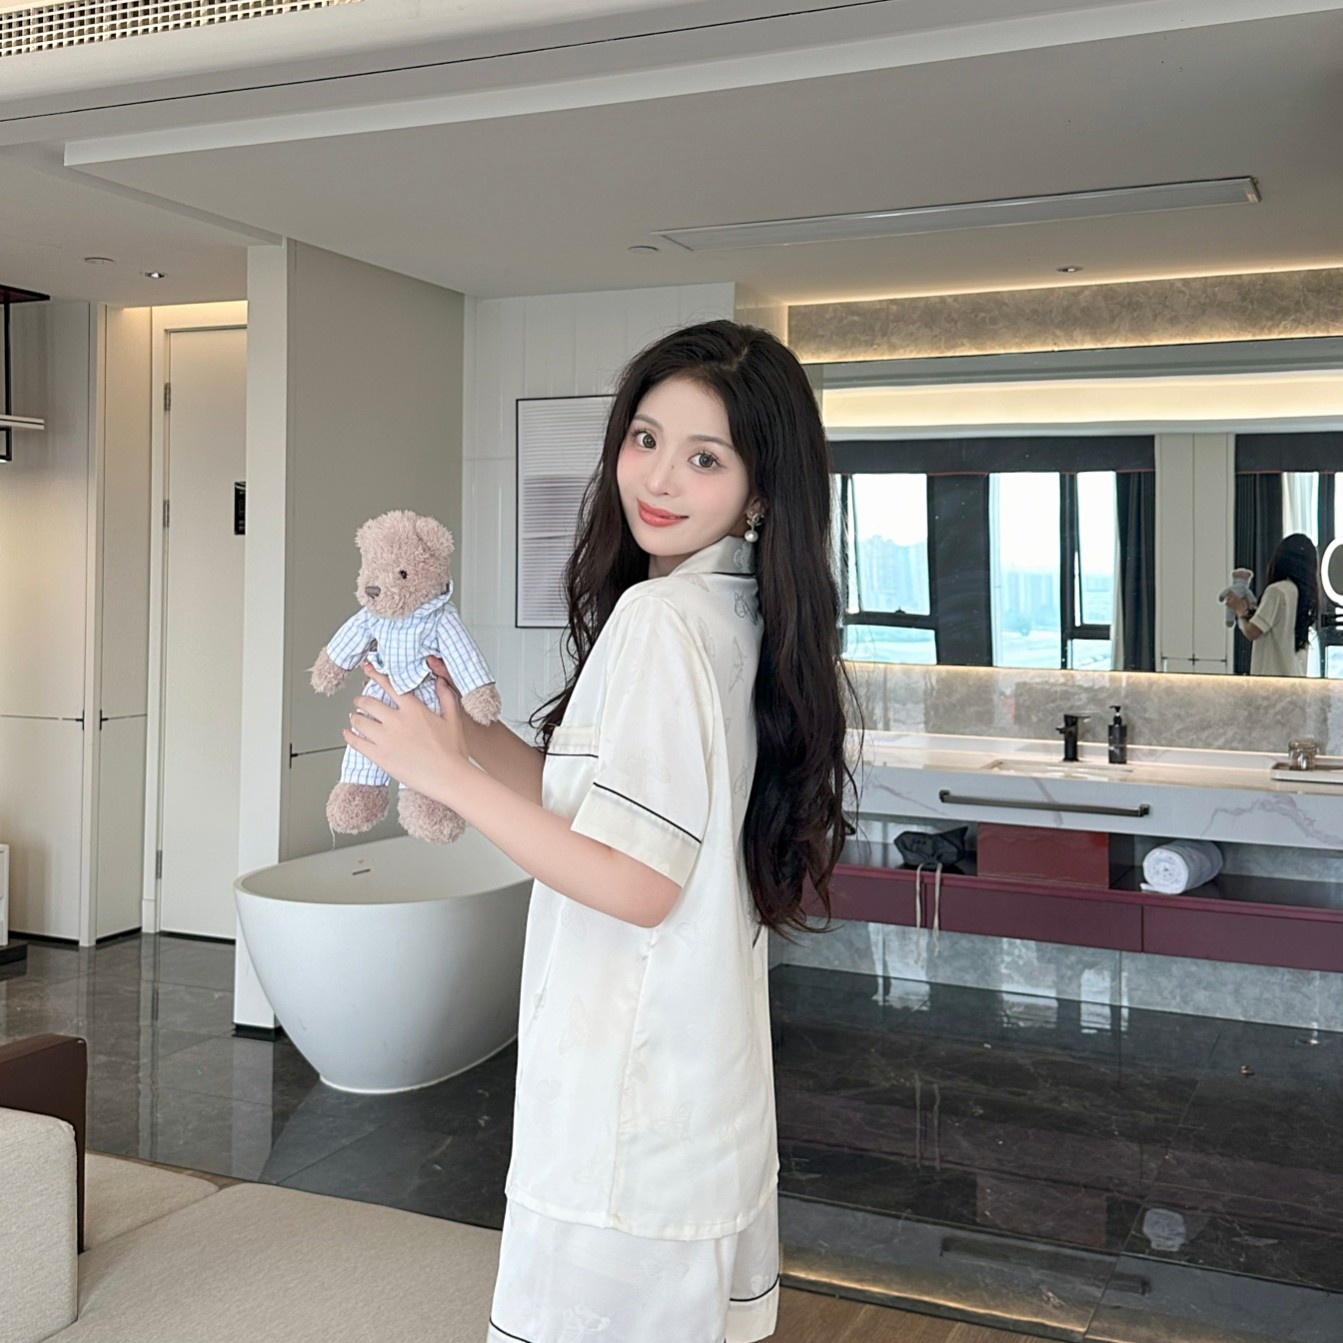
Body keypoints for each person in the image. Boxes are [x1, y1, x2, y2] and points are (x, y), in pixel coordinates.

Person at [344, 320, 858, 1343]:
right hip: (686, 1092)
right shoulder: (730, 609)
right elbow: (601, 807)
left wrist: (444, 775)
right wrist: (468, 734)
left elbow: (637, 881)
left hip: (626, 1105)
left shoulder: (662, 623)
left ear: (758, 489)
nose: (657, 478)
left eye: (704, 458)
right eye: (645, 438)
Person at [1228, 532, 1319, 677]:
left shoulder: (1277, 591)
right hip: (1295, 678)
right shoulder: (1301, 594)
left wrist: (1240, 610)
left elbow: (1252, 631)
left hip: (1271, 680)